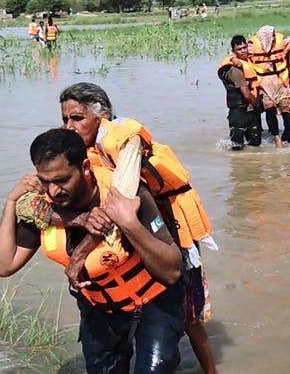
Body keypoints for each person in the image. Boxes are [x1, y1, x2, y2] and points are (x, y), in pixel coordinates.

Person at [0, 128, 185, 373]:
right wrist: (11, 202)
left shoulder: (126, 195)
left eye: (62, 180)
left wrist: (129, 224)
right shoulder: (43, 210)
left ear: (85, 167)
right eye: (45, 181)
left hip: (153, 301)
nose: (53, 191)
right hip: (100, 308)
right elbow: (4, 265)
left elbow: (172, 271)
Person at [58, 83, 218, 374]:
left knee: (190, 316)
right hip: (138, 234)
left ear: (102, 116)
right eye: (65, 119)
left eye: (77, 118)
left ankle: (211, 371)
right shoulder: (85, 152)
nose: (69, 126)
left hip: (171, 228)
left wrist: (80, 254)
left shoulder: (124, 139)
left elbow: (120, 199)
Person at [247, 25, 290, 147]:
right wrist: (233, 60)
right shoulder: (252, 46)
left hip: (281, 82)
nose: (272, 39)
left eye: (273, 36)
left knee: (288, 115)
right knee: (270, 111)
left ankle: (287, 137)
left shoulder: (281, 42)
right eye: (270, 36)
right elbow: (236, 53)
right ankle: (277, 138)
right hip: (264, 83)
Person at [217, 35, 262, 150]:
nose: (243, 51)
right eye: (239, 49)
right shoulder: (235, 70)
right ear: (233, 51)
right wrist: (258, 105)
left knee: (255, 148)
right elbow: (246, 94)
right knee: (237, 149)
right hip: (239, 113)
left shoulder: (248, 62)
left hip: (251, 112)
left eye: (244, 47)